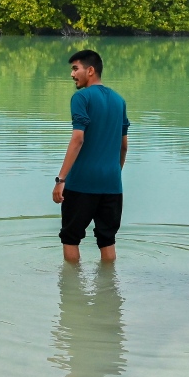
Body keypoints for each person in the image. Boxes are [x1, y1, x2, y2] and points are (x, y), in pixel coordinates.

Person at [52, 49, 129, 264]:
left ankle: (72, 285)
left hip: (82, 183)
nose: (72, 74)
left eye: (75, 69)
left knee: (70, 238)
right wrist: (114, 173)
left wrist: (61, 179)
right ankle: (108, 283)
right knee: (107, 240)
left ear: (91, 70)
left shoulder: (81, 97)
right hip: (112, 184)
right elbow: (123, 146)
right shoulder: (119, 101)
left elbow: (78, 139)